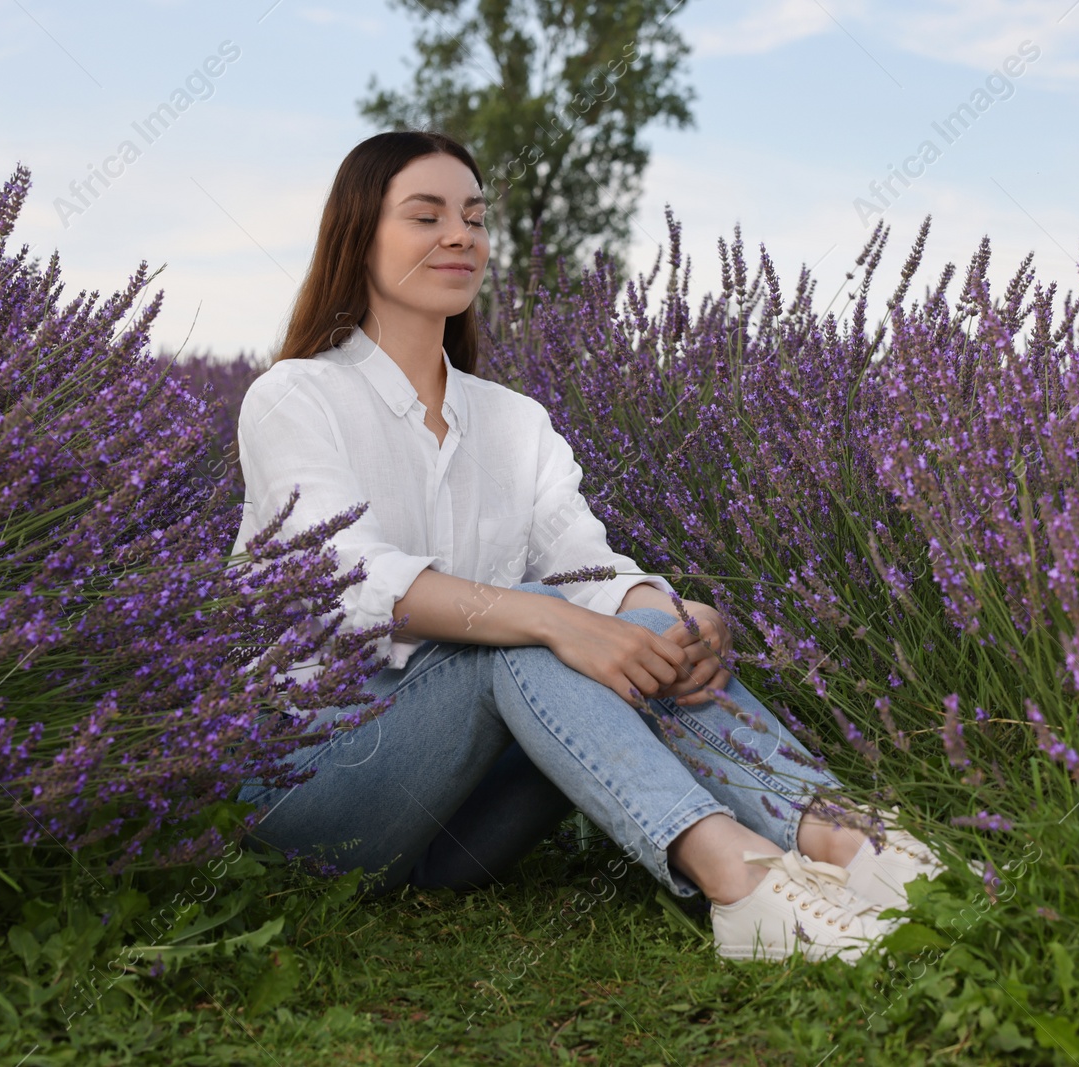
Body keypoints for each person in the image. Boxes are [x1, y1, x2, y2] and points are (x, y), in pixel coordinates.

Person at [232, 130, 943, 963]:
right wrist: (554, 618)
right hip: (320, 794)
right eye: (426, 216)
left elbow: (587, 567)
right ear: (358, 238)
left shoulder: (514, 421)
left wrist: (674, 615)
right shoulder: (295, 396)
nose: (461, 235)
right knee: (522, 630)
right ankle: (743, 882)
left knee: (614, 626)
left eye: (474, 217)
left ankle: (848, 840)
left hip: (462, 834)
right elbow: (353, 578)